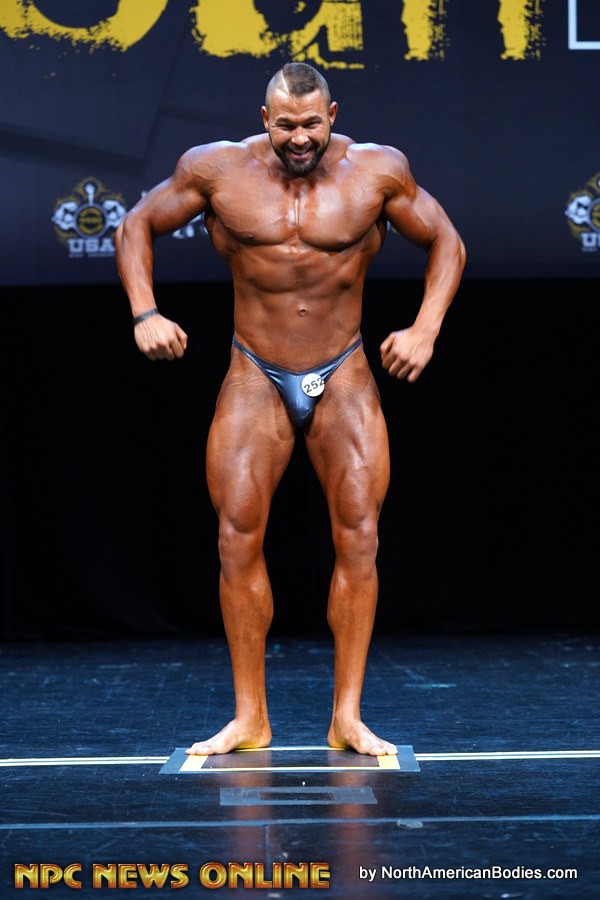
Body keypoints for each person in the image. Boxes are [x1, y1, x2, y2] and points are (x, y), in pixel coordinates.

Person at [115, 62, 465, 757]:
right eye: (284, 125)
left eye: (309, 124)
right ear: (264, 118)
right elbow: (135, 226)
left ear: (331, 115)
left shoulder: (378, 171)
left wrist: (425, 329)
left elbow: (446, 241)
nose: (298, 138)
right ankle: (251, 718)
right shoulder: (216, 169)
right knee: (236, 537)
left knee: (359, 536)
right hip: (255, 372)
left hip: (344, 372)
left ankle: (347, 718)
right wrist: (145, 313)